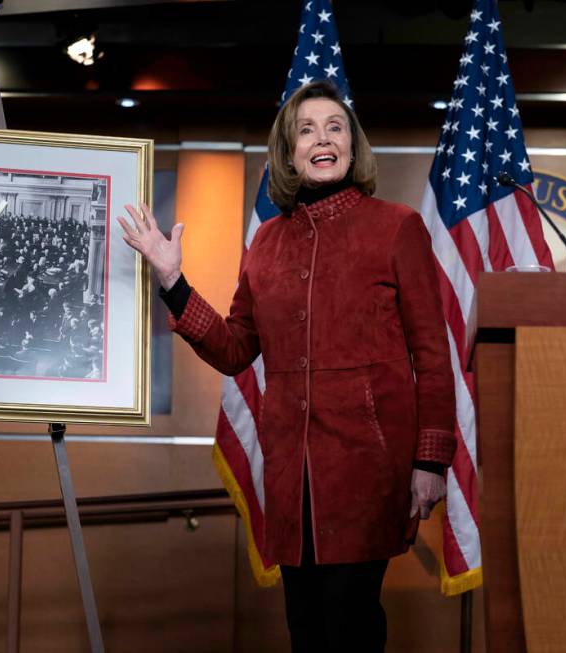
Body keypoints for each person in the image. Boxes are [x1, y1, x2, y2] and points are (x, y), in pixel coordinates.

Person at [119, 81, 455, 652]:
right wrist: (172, 281)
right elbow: (233, 348)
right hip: (289, 474)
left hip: (368, 468)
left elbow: (432, 352)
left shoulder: (397, 227)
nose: (322, 139)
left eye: (335, 127)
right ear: (289, 152)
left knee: (350, 624)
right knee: (306, 629)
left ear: (352, 146)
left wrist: (431, 458)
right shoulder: (267, 244)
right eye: (306, 130)